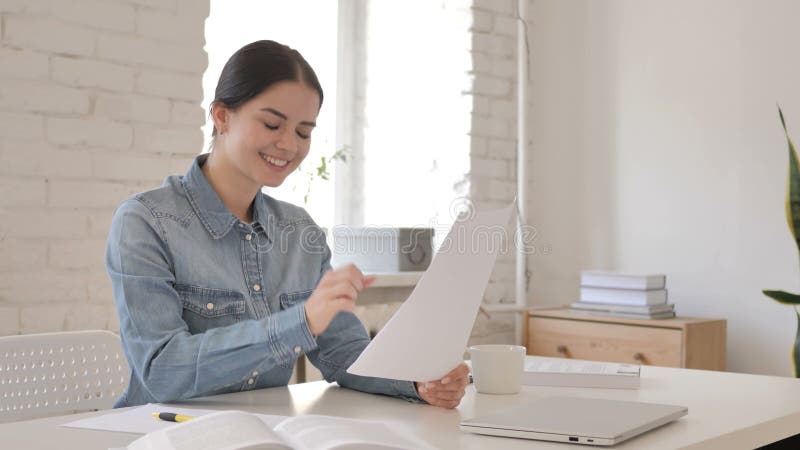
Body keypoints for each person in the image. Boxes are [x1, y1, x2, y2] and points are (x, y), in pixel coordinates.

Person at [106, 40, 469, 409]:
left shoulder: (299, 231)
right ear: (221, 116)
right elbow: (162, 371)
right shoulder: (146, 222)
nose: (288, 145)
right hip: (158, 434)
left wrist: (416, 380)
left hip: (262, 432)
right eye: (272, 123)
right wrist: (301, 322)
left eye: (303, 132)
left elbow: (342, 351)